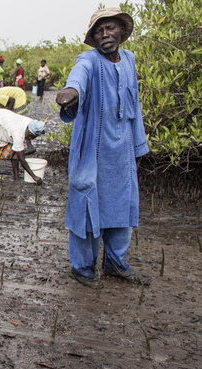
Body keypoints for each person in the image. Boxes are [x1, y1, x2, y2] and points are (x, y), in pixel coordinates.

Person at [55, 7, 149, 287]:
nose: (105, 35)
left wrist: (138, 148)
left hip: (122, 151)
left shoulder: (129, 60)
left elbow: (135, 107)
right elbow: (78, 79)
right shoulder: (88, 60)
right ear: (93, 37)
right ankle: (83, 267)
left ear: (121, 30)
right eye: (99, 30)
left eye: (110, 28)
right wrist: (70, 93)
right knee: (88, 206)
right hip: (93, 151)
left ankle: (114, 263)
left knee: (121, 208)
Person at [0, 108, 46, 184]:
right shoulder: (18, 133)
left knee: (16, 152)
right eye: (29, 136)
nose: (29, 138)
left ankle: (16, 178)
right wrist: (34, 177)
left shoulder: (31, 123)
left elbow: (19, 150)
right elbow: (22, 160)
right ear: (29, 132)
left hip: (3, 122)